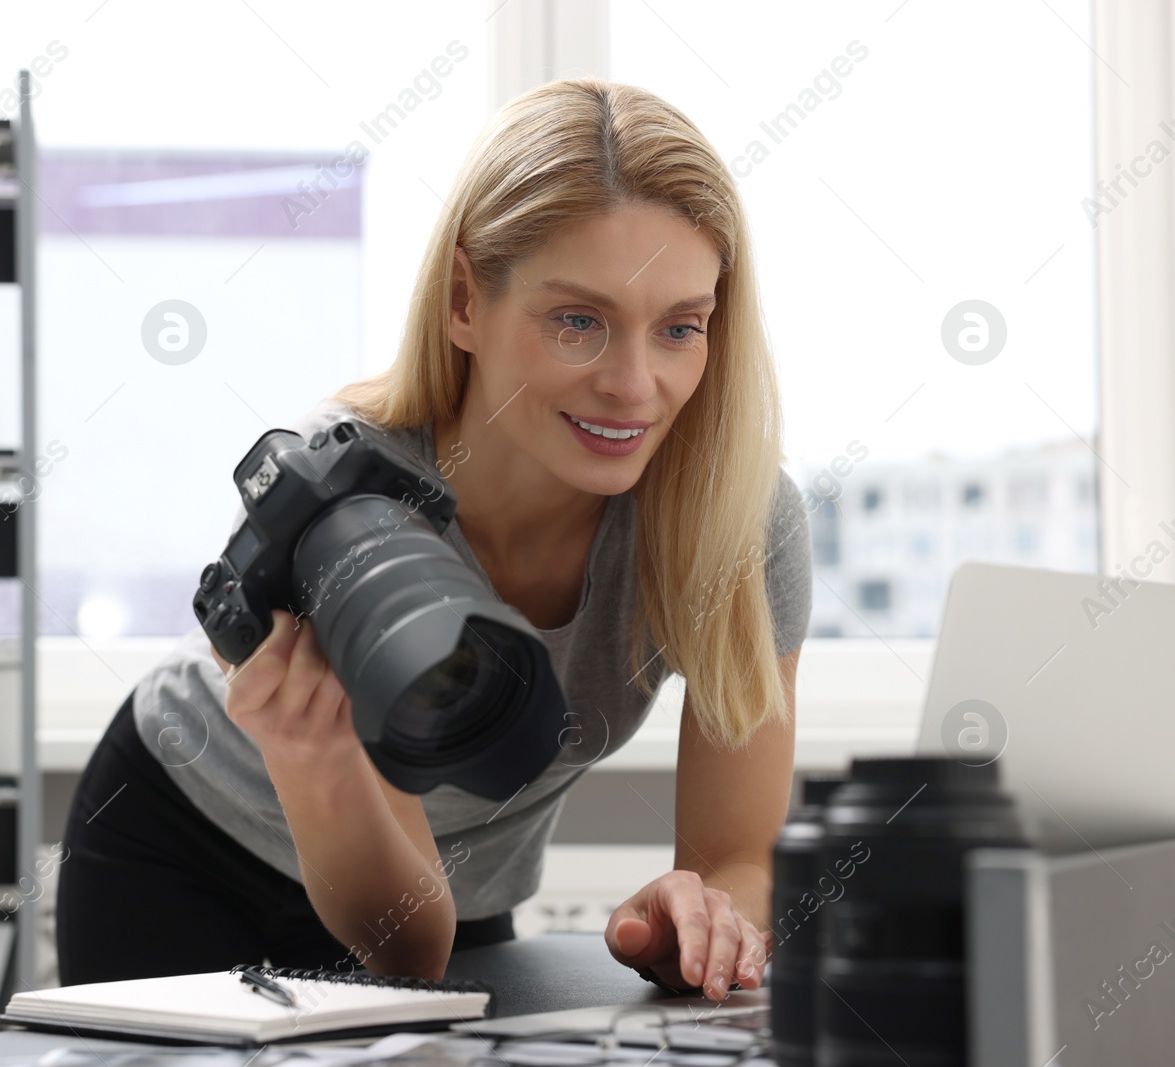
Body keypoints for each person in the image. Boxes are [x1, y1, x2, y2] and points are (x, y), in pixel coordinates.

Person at [56, 76, 812, 1003]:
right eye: (579, 320)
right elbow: (407, 947)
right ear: (465, 300)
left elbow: (739, 856)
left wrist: (705, 918)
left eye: (680, 328)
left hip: (449, 891)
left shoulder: (737, 518)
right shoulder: (350, 495)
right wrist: (314, 755)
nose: (634, 383)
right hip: (180, 844)